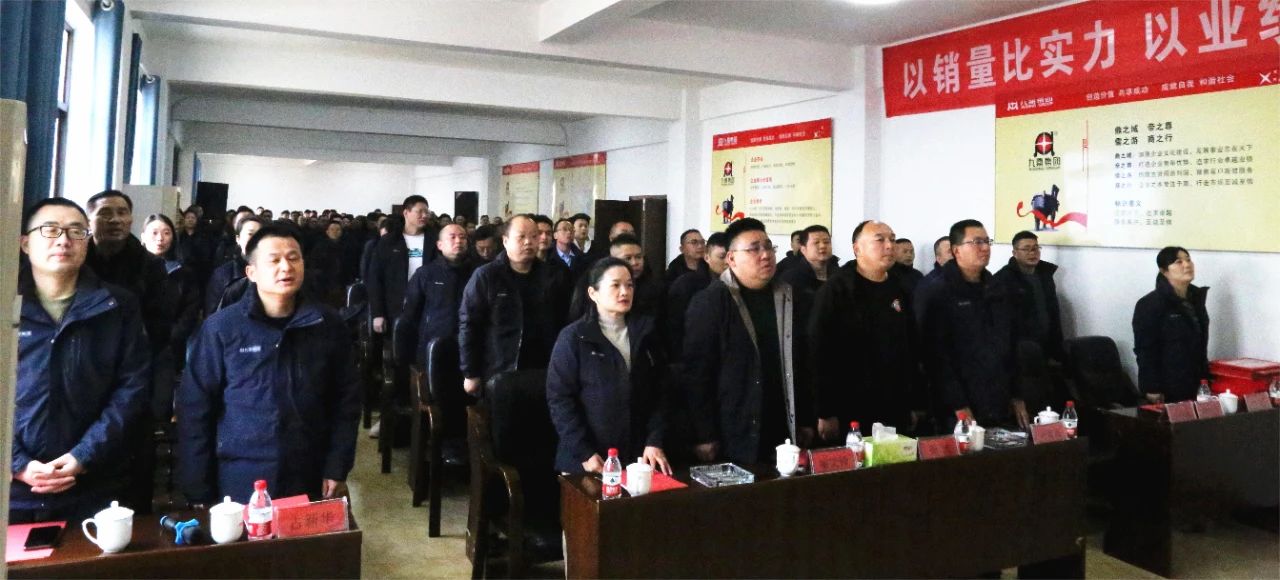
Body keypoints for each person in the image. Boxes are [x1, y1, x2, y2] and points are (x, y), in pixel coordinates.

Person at [178, 225, 361, 504]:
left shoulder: (327, 324)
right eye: (274, 260)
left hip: (308, 468)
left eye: (293, 258)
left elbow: (346, 401)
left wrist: (337, 466)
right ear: (251, 272)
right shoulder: (221, 329)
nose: (286, 267)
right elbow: (195, 409)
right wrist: (197, 487)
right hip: (240, 471)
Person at [12, 198, 150, 522]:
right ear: (25, 243)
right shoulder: (7, 304)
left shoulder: (117, 306)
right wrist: (16, 464)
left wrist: (83, 455)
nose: (64, 240)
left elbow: (131, 388)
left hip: (95, 482)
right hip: (14, 492)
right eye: (50, 230)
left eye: (76, 231)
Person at [684, 218, 814, 464]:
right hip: (735, 426)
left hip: (783, 422)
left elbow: (803, 362)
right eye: (754, 249)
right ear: (731, 259)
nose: (765, 255)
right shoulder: (710, 302)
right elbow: (697, 374)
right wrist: (704, 433)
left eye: (768, 247)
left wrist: (806, 417)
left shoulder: (790, 297)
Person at [547, 258, 671, 475]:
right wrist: (583, 452)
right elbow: (560, 399)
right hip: (588, 459)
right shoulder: (574, 337)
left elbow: (661, 391)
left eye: (629, 285)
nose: (625, 292)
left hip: (638, 457)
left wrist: (654, 440)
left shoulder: (647, 332)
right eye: (615, 285)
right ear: (593, 293)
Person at [810, 221, 925, 441]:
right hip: (851, 406)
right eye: (880, 240)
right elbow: (819, 352)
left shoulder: (900, 288)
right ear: (857, 249)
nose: (889, 246)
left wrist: (915, 402)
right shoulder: (836, 290)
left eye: (892, 239)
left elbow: (911, 347)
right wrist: (825, 411)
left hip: (894, 402)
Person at [915, 219, 1024, 430]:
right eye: (976, 242)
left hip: (998, 398)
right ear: (956, 250)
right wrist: (958, 404)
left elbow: (1011, 345)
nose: (985, 248)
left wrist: (1017, 395)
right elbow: (935, 356)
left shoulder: (997, 288)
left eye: (987, 241)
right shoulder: (936, 290)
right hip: (957, 405)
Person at [459, 215, 570, 395]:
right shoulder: (486, 276)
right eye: (521, 237)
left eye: (534, 236)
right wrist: (470, 373)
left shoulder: (552, 276)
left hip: (543, 369)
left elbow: (563, 323)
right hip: (499, 369)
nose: (528, 242)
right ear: (505, 241)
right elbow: (469, 325)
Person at [140, 214, 202, 421]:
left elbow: (191, 310)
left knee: (161, 401)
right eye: (154, 233)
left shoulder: (183, 272)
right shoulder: (132, 272)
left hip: (168, 347)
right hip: (134, 345)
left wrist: (170, 337)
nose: (160, 238)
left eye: (166, 233)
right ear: (143, 237)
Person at [1132, 246, 1210, 404]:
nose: (1187, 265)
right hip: (1167, 385)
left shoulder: (1196, 300)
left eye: (1188, 260)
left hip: (1195, 383)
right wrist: (1151, 387)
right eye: (1178, 262)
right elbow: (1145, 349)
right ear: (1164, 271)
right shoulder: (1150, 304)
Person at [402, 224, 477, 366]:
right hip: (434, 345)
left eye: (462, 237)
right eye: (452, 237)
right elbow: (411, 313)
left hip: (472, 345)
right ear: (440, 245)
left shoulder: (479, 273)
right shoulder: (426, 274)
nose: (458, 241)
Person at [368, 195, 436, 335]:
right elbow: (375, 278)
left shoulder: (435, 240)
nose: (424, 215)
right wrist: (377, 313)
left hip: (427, 306)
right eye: (419, 211)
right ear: (406, 212)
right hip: (395, 307)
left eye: (426, 212)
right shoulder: (389, 241)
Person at [993, 231, 1065, 362]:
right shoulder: (1003, 279)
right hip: (1018, 352)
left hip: (1045, 346)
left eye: (1036, 248)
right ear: (1015, 253)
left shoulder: (1045, 275)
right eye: (1026, 249)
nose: (1032, 253)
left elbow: (1053, 312)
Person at [665, 232, 728, 360]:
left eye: (731, 256)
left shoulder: (741, 283)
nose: (728, 262)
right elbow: (674, 328)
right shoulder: (686, 285)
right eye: (722, 257)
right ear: (707, 257)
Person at [204, 215, 264, 315]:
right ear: (238, 239)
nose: (255, 239)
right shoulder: (223, 274)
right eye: (250, 234)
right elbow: (212, 315)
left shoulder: (271, 273)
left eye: (260, 235)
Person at [779, 224, 839, 309]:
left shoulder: (840, 275)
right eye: (816, 242)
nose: (823, 246)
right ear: (803, 249)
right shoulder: (791, 279)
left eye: (826, 242)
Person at [306, 220, 348, 307]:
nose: (335, 232)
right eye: (332, 229)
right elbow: (314, 264)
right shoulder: (320, 246)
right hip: (324, 283)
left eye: (338, 229)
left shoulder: (348, 246)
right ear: (327, 232)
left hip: (342, 282)